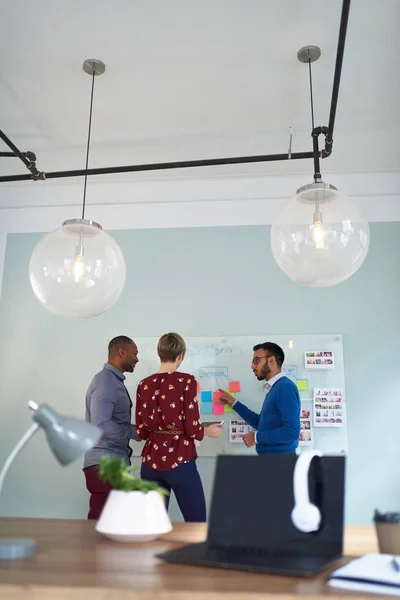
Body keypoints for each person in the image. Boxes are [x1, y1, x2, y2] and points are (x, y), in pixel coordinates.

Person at [135, 332, 222, 522]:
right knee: (196, 523)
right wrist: (207, 431)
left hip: (150, 462)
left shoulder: (144, 384)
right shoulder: (186, 381)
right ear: (181, 355)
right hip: (180, 460)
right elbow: (191, 427)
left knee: (152, 524)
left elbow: (141, 431)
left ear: (159, 354)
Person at [83, 336, 140, 519]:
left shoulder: (112, 381)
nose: (137, 359)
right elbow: (101, 425)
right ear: (121, 352)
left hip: (110, 463)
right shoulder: (106, 383)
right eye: (134, 354)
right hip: (104, 464)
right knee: (101, 523)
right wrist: (133, 432)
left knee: (115, 522)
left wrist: (139, 430)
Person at [219, 342, 300, 454]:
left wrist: (256, 437)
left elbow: (291, 432)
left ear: (271, 360)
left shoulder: (284, 387)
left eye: (256, 361)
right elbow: (261, 423)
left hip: (280, 461)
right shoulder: (275, 388)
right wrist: (234, 403)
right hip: (273, 460)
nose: (252, 366)